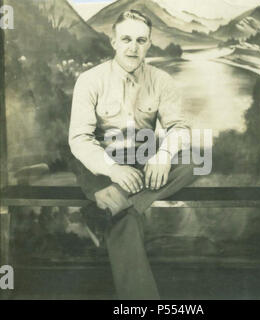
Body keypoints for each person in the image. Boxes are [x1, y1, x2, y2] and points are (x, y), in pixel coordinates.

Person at [69, 10, 200, 300]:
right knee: (125, 222)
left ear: (149, 44)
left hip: (143, 156)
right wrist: (114, 170)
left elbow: (179, 128)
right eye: (126, 39)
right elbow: (79, 140)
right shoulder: (90, 80)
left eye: (141, 40)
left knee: (197, 161)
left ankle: (103, 211)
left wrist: (164, 155)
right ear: (113, 41)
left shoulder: (161, 80)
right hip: (99, 162)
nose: (133, 47)